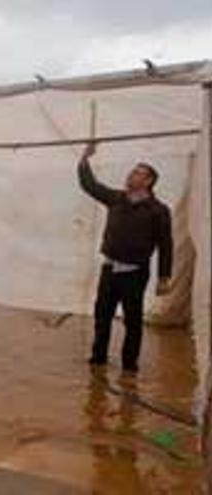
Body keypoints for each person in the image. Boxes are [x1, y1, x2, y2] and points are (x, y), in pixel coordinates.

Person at [78, 142, 173, 374]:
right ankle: (98, 360)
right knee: (102, 315)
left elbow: (165, 244)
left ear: (149, 181)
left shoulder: (158, 210)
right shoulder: (116, 198)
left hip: (135, 272)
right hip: (109, 269)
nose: (131, 174)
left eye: (138, 173)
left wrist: (164, 276)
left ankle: (129, 367)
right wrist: (84, 159)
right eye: (132, 171)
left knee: (133, 321)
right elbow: (91, 185)